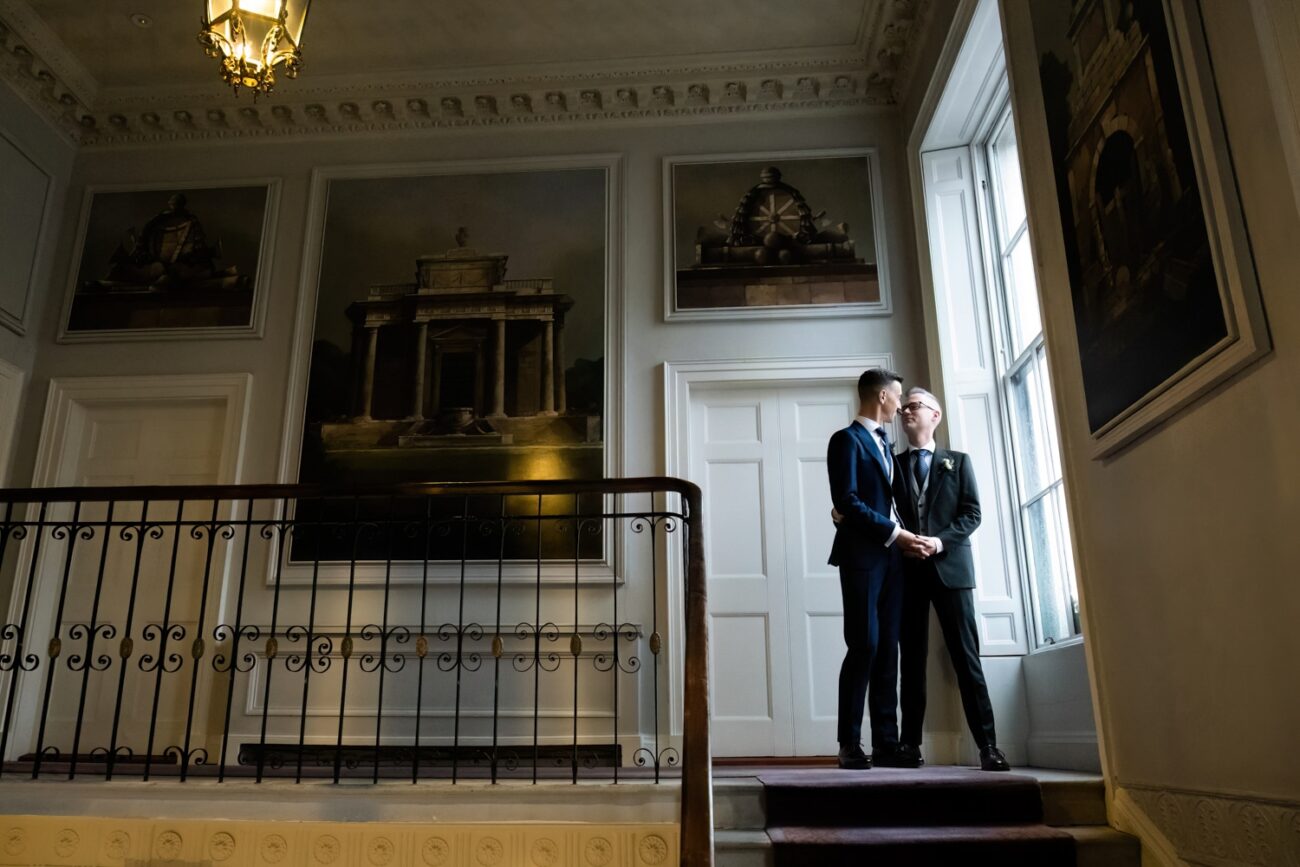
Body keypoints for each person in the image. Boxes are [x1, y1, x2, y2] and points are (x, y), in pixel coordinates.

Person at [891, 387, 1010, 772]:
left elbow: (972, 514)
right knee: (911, 659)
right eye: (903, 407)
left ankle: (988, 746)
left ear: (935, 416)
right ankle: (909, 745)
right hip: (907, 572)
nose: (906, 411)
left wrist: (939, 542)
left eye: (914, 406)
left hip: (952, 572)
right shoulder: (892, 466)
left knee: (966, 658)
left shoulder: (957, 463)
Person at [825, 368, 926, 770]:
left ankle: (886, 743)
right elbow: (846, 499)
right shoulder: (845, 440)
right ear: (882, 396)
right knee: (864, 643)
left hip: (895, 562)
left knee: (888, 650)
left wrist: (909, 541)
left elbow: (896, 499)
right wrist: (894, 533)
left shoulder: (886, 445)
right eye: (898, 397)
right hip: (862, 557)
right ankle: (849, 742)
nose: (901, 405)